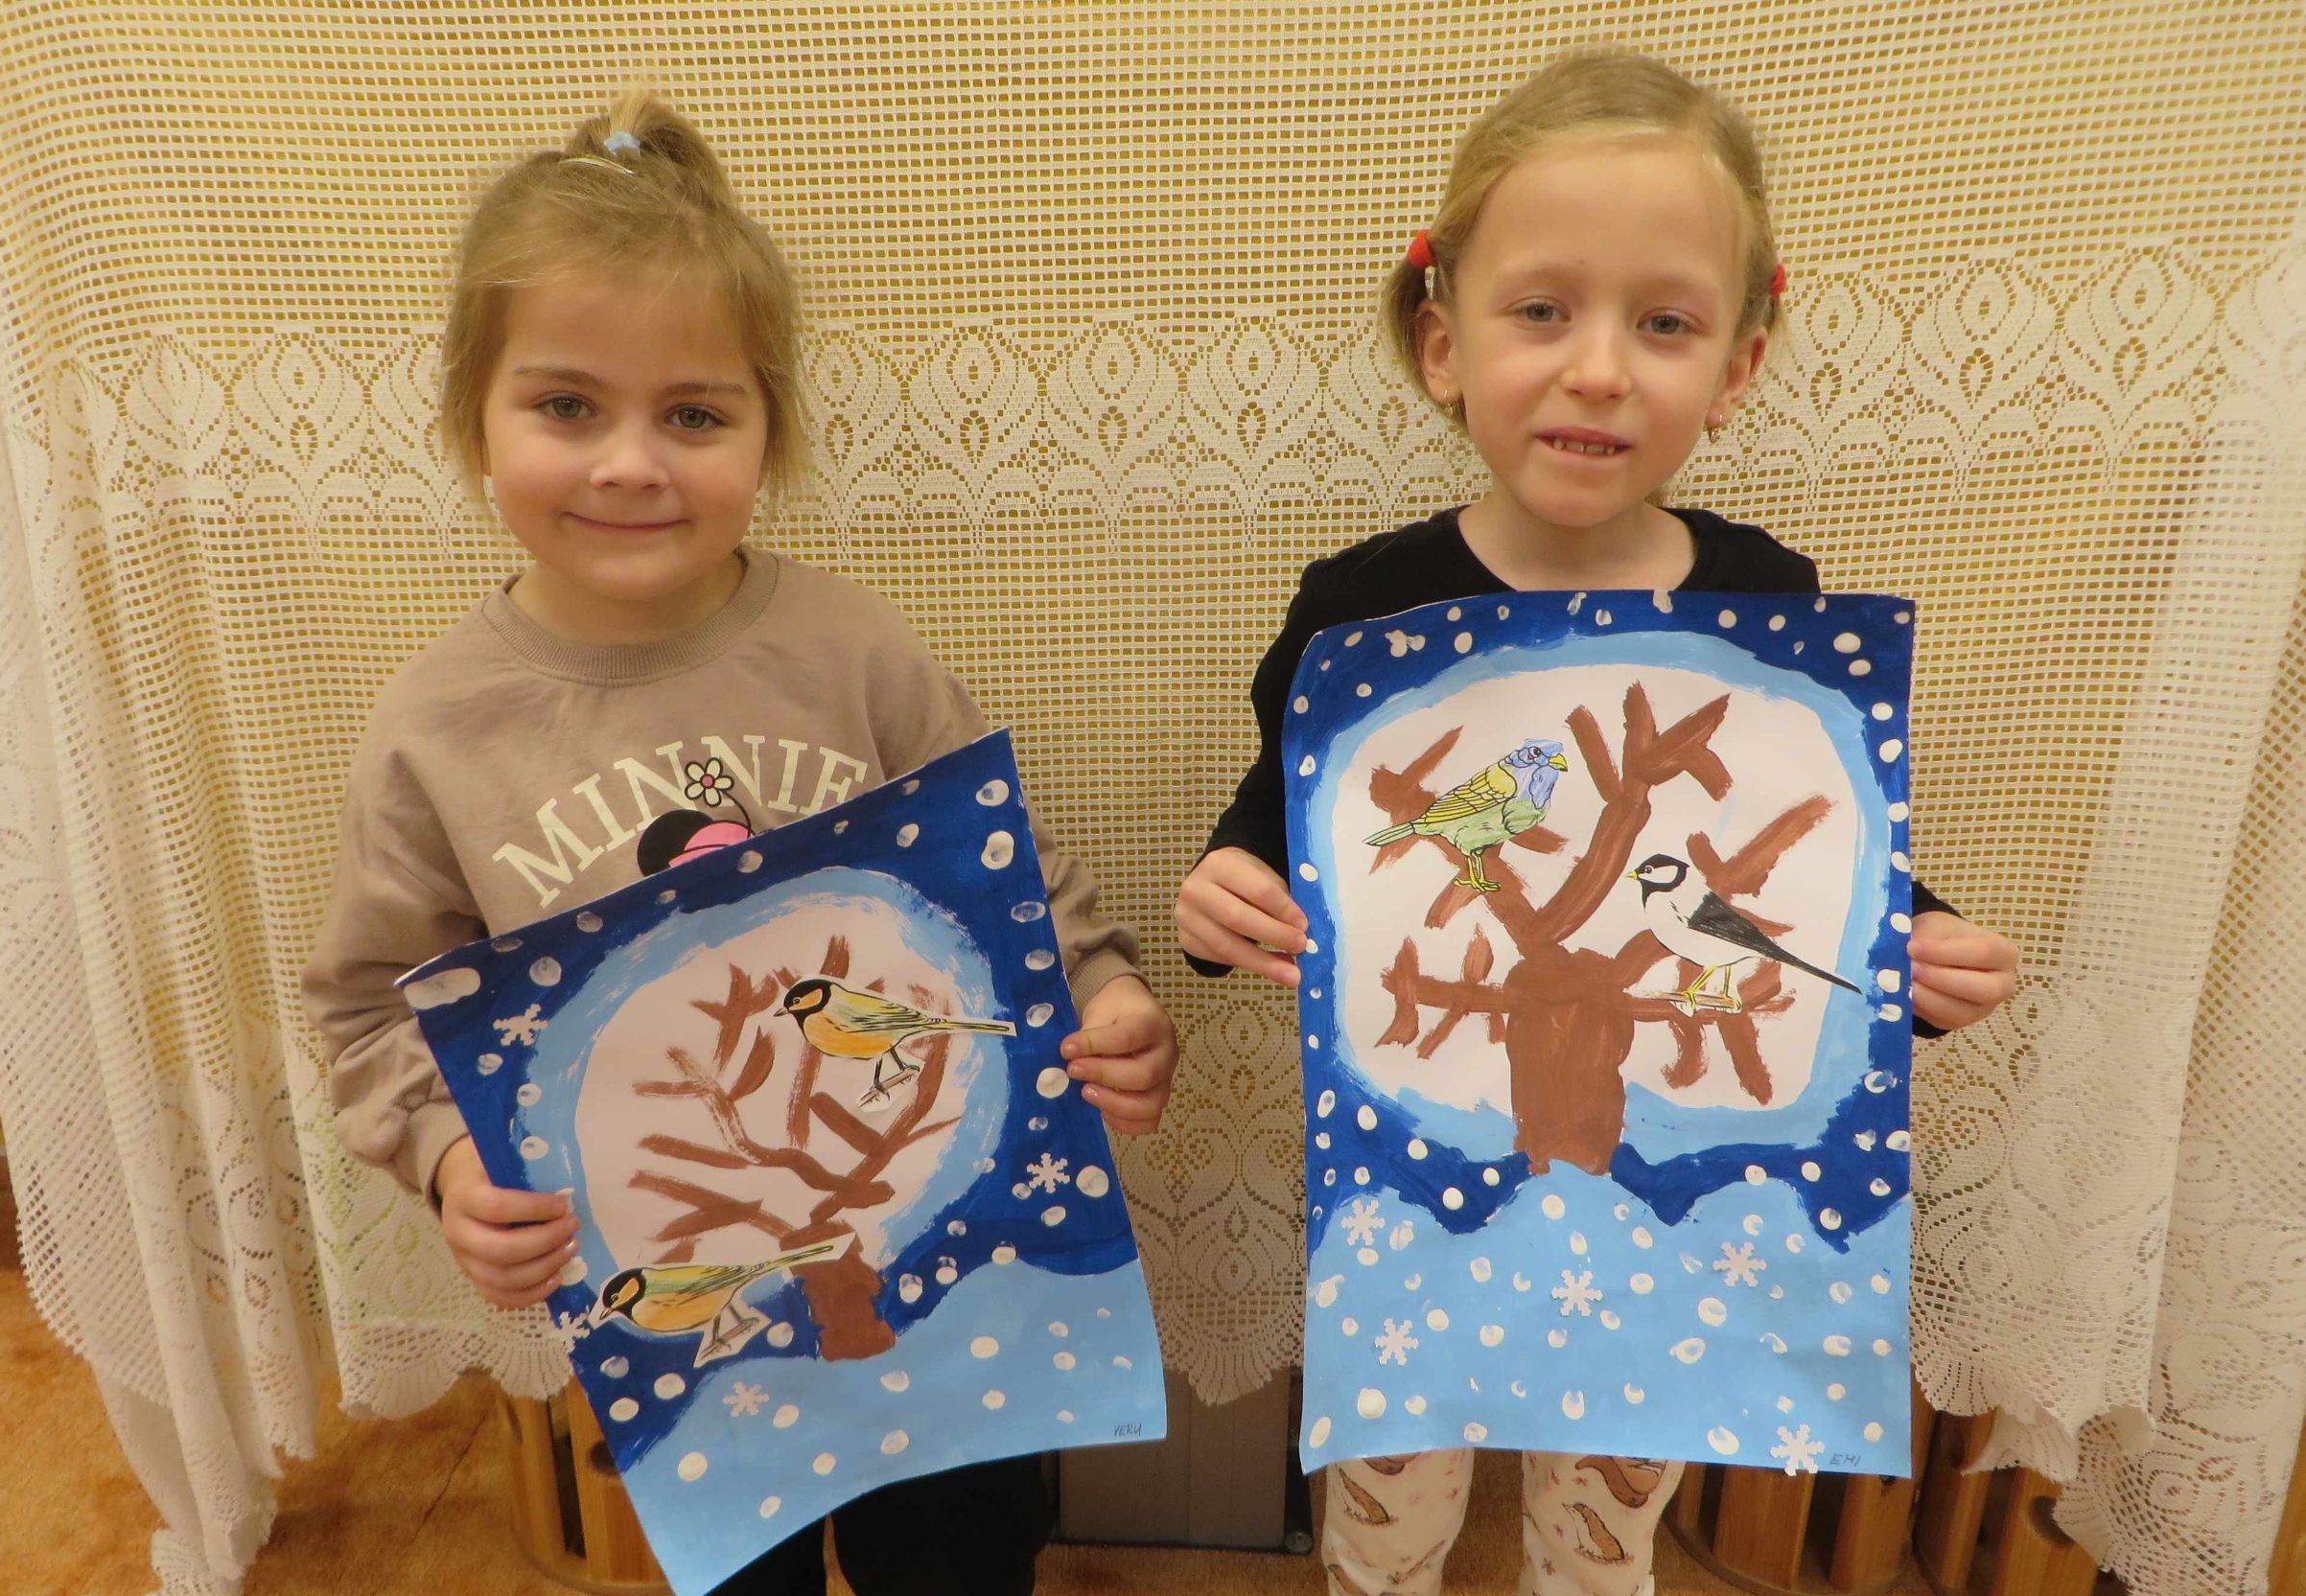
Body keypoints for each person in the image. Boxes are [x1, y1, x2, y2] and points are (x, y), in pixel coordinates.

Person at [300, 88, 1176, 1596]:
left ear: (769, 434)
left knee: (962, 1560)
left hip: (938, 1270)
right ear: (472, 418)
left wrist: (1102, 994)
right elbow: (371, 1008)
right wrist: (444, 1162)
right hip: (691, 1328)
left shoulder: (857, 654)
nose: (631, 463)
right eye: (567, 405)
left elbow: (1013, 882)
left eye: (694, 414)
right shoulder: (435, 727)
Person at [1173, 49, 2017, 1596]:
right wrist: (1225, 891)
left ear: (1739, 365)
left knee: (1609, 1507)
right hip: (1420, 1185)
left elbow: (1817, 862)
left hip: (1662, 1189)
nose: (1602, 369)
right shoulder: (1365, 609)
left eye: (1666, 323)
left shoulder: (1765, 601)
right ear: (1444, 342)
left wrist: (1920, 941)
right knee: (1389, 1501)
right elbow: (1282, 832)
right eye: (1544, 311)